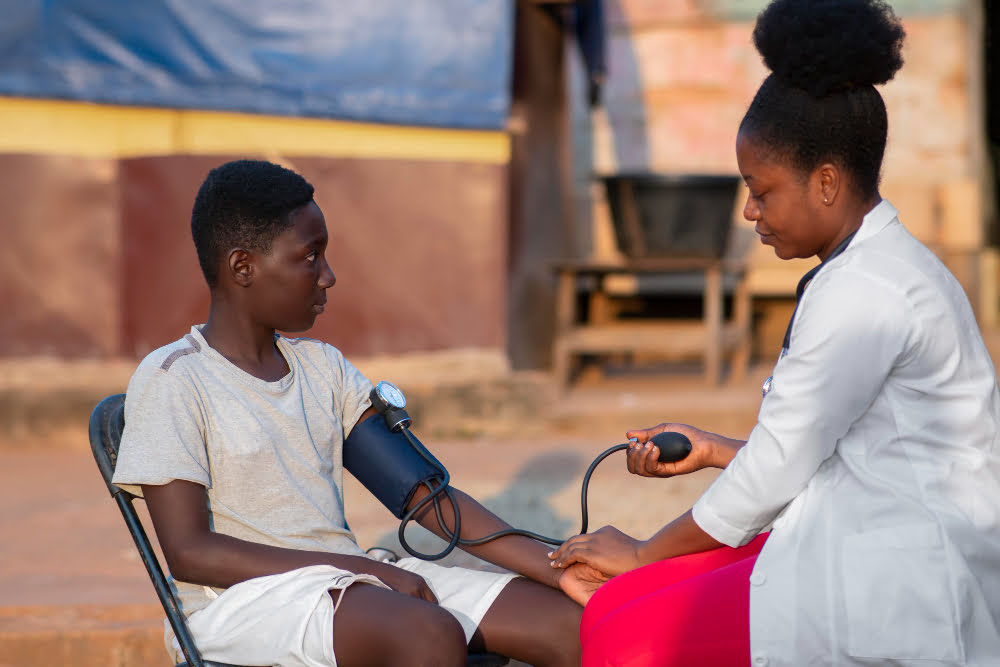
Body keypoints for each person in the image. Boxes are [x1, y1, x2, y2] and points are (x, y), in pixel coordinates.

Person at [549, 1, 1000, 665]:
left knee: (623, 632)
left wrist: (641, 550)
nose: (749, 209)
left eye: (762, 189)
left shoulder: (864, 291)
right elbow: (850, 448)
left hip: (899, 584)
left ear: (825, 182)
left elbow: (775, 474)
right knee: (618, 602)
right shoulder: (874, 265)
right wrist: (713, 450)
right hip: (866, 532)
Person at [111, 159, 582, 667]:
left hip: (345, 583)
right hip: (237, 604)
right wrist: (363, 573)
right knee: (426, 635)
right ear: (243, 268)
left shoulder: (322, 368)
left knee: (572, 625)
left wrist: (557, 569)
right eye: (310, 257)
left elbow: (423, 496)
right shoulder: (174, 378)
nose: (328, 276)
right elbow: (190, 553)